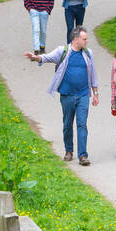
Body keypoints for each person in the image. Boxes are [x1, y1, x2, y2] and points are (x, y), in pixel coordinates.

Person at [26, 27, 99, 165]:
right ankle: (69, 151)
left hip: (83, 95)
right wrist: (36, 58)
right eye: (84, 39)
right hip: (67, 95)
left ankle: (83, 155)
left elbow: (93, 74)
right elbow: (47, 57)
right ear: (76, 39)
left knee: (82, 124)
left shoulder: (88, 53)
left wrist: (96, 93)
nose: (87, 41)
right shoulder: (63, 51)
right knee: (67, 124)